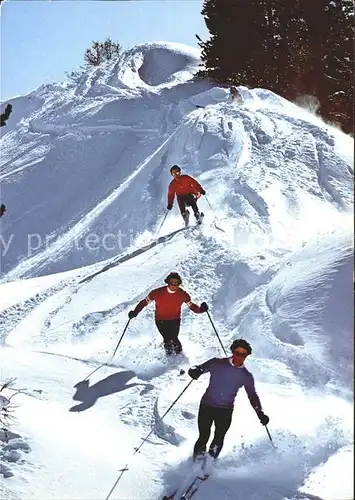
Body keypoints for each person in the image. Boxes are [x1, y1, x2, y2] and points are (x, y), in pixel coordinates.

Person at [188, 339, 269, 460]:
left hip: (225, 410)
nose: (239, 357)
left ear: (246, 356)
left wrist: (260, 413)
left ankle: (209, 464)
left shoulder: (246, 376)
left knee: (219, 437)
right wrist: (195, 371)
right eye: (237, 353)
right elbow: (199, 368)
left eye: (243, 354)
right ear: (232, 352)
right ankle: (196, 461)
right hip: (207, 406)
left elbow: (252, 396)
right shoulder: (217, 363)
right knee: (204, 435)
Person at [128, 272, 208, 355]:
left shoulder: (183, 294)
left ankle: (180, 359)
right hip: (160, 320)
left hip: (175, 320)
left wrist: (201, 309)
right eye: (172, 282)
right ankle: (169, 360)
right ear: (167, 282)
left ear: (178, 284)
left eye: (176, 283)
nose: (174, 285)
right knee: (168, 340)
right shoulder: (157, 293)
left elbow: (192, 306)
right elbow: (144, 302)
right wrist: (135, 312)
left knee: (174, 339)